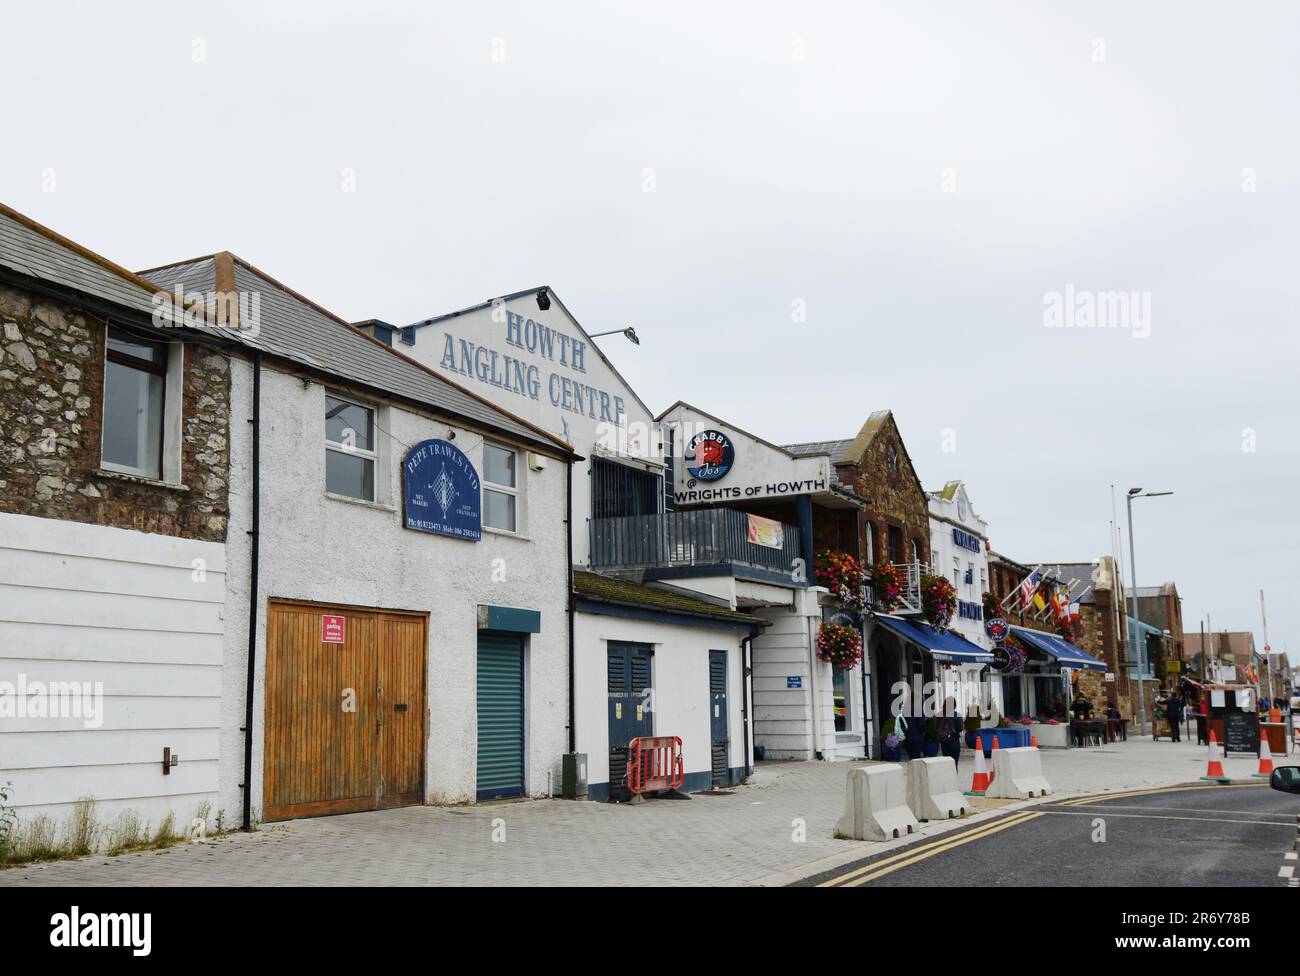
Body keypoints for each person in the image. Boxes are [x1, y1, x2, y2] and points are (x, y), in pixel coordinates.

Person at [938, 696, 964, 771]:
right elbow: (960, 729)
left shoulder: (940, 715)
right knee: (954, 764)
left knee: (947, 764)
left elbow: (936, 728)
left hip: (944, 742)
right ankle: (954, 780)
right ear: (954, 705)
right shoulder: (957, 715)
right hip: (954, 742)